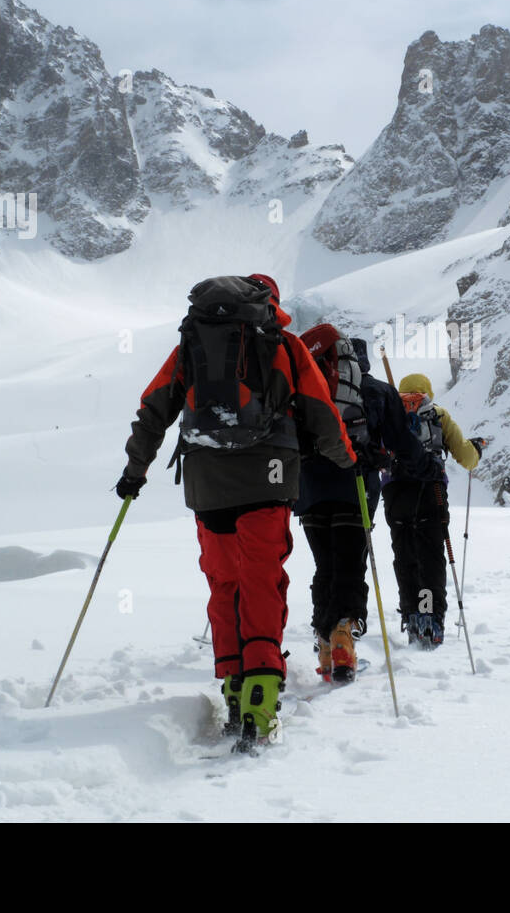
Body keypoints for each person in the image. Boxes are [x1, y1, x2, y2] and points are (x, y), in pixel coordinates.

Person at [115, 274, 355, 751]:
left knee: (224, 584)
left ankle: (232, 688)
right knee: (261, 580)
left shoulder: (191, 344)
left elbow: (154, 407)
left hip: (207, 483)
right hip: (267, 477)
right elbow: (320, 410)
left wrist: (135, 470)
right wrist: (346, 460)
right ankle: (261, 699)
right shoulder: (283, 344)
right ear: (270, 305)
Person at [294, 328, 433, 682]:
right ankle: (344, 636)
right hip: (355, 486)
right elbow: (403, 442)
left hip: (309, 488)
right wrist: (426, 465)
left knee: (324, 564)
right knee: (350, 562)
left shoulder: (306, 383)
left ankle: (326, 646)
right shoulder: (376, 391)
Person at [382, 372, 483, 648]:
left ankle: (412, 614)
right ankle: (432, 618)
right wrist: (476, 450)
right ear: (428, 391)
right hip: (431, 491)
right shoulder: (438, 414)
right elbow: (467, 458)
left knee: (405, 555)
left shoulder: (389, 413)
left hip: (395, 492)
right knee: (431, 556)